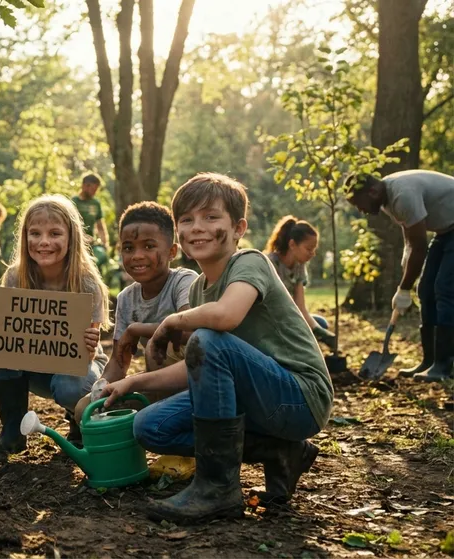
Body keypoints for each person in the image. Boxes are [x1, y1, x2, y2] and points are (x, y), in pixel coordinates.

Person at [100, 173, 331, 523]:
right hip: (255, 399)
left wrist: (172, 321)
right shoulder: (198, 292)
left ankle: (217, 488)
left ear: (238, 228)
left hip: (299, 398)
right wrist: (132, 383)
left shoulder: (249, 262)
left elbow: (226, 317)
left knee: (208, 338)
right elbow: (201, 363)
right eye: (187, 220)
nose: (198, 228)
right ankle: (281, 451)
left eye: (211, 217)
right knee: (150, 426)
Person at [0, 195, 110, 455]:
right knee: (4, 350)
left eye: (55, 233)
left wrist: (89, 342)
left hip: (78, 370)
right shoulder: (16, 276)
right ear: (25, 237)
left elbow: (87, 351)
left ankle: (78, 420)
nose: (44, 242)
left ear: (71, 237)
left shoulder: (87, 283)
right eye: (35, 233)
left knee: (70, 387)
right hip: (32, 368)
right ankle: (12, 432)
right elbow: (5, 337)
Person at [74, 202, 197, 420]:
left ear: (172, 251)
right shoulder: (126, 298)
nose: (137, 255)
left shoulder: (184, 281)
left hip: (196, 381)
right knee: (84, 409)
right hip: (155, 384)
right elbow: (119, 363)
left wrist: (136, 329)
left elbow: (188, 330)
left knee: (154, 347)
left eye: (149, 246)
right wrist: (99, 392)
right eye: (128, 248)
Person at [346, 170, 454, 382]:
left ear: (373, 191)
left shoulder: (401, 193)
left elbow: (420, 246)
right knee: (425, 290)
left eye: (360, 204)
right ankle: (429, 361)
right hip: (445, 232)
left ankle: (443, 364)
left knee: (444, 289)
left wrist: (403, 288)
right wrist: (407, 251)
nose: (361, 211)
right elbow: (410, 229)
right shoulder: (386, 198)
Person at [263, 216, 337, 350]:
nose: (312, 254)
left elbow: (300, 308)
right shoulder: (270, 264)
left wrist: (321, 333)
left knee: (321, 324)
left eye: (314, 249)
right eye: (309, 249)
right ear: (292, 244)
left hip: (290, 317)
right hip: (271, 322)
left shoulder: (299, 266)